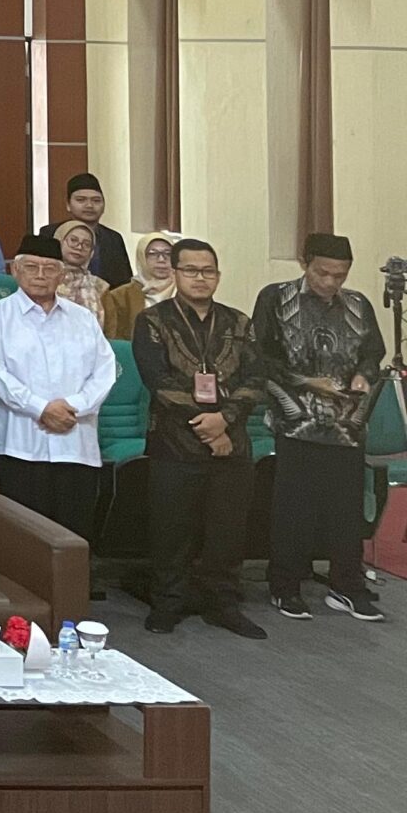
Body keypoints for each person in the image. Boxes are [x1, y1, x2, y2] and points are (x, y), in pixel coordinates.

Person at [129, 239, 265, 637]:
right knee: (171, 530)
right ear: (175, 273)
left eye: (208, 271)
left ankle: (223, 604)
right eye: (190, 270)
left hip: (231, 442)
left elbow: (255, 379)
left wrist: (224, 420)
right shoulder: (153, 321)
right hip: (174, 443)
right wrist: (206, 425)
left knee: (228, 530)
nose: (200, 278)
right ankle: (167, 602)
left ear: (218, 276)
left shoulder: (239, 323)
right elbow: (159, 382)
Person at [253, 233, 389, 621]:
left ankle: (346, 586)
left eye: (340, 275)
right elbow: (261, 356)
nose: (331, 282)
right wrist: (307, 382)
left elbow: (372, 354)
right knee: (293, 508)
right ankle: (285, 586)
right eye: (323, 273)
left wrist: (363, 376)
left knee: (345, 510)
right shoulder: (276, 298)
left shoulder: (358, 304)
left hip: (346, 424)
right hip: (295, 420)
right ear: (305, 263)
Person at [0, 233, 116, 541]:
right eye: (31, 267)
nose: (40, 275)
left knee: (73, 540)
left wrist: (73, 406)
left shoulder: (83, 319)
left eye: (49, 268)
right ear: (15, 270)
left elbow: (105, 372)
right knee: (19, 540)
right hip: (17, 446)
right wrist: (41, 408)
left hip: (75, 446)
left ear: (61, 274)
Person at [61, 173, 133, 286]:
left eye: (96, 200)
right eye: (81, 200)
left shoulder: (114, 239)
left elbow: (124, 283)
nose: (89, 205)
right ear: (68, 205)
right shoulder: (50, 233)